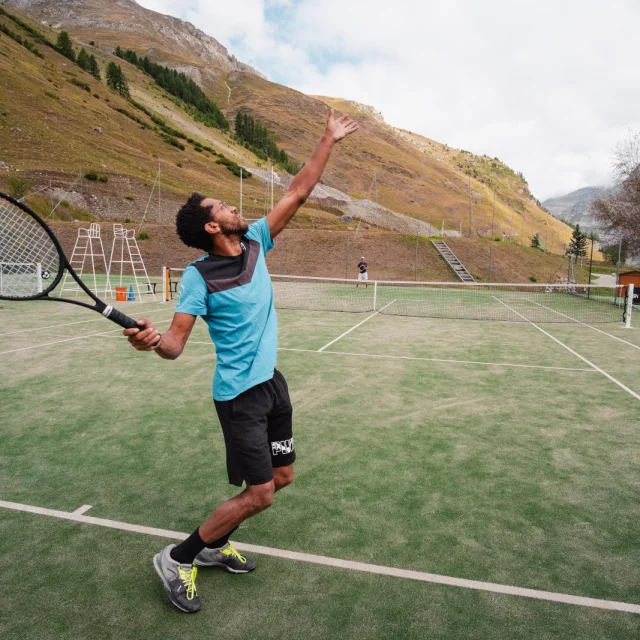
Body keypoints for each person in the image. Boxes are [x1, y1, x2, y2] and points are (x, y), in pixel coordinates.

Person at [124, 109, 358, 613]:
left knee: (282, 478)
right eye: (224, 207)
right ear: (212, 226)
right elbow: (175, 345)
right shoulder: (197, 277)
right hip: (239, 397)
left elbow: (297, 191)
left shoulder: (256, 241)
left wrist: (327, 140)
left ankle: (210, 545)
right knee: (260, 494)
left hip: (273, 384)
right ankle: (179, 557)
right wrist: (150, 340)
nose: (234, 208)